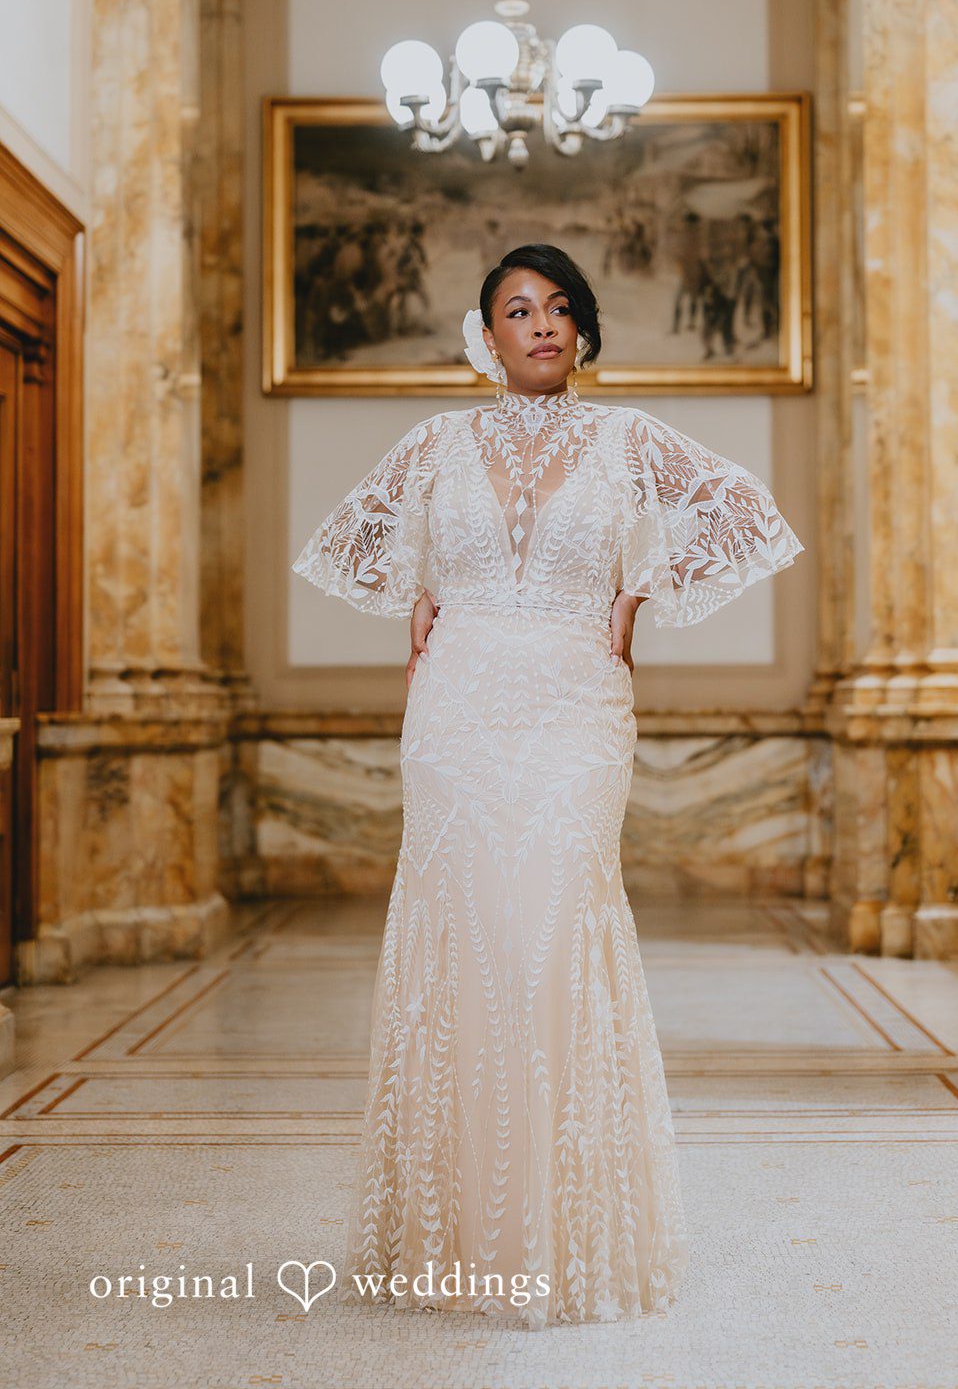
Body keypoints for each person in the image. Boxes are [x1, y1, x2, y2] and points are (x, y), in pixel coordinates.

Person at [291, 243, 805, 1330]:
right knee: (467, 936)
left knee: (551, 934)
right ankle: (459, 1231)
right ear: (483, 334)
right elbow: (361, 542)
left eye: (558, 307)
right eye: (517, 309)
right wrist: (419, 595)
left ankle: (561, 1232)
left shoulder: (624, 436)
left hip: (575, 710)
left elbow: (744, 508)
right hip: (458, 713)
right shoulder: (436, 441)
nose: (540, 324)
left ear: (580, 330)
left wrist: (643, 587)